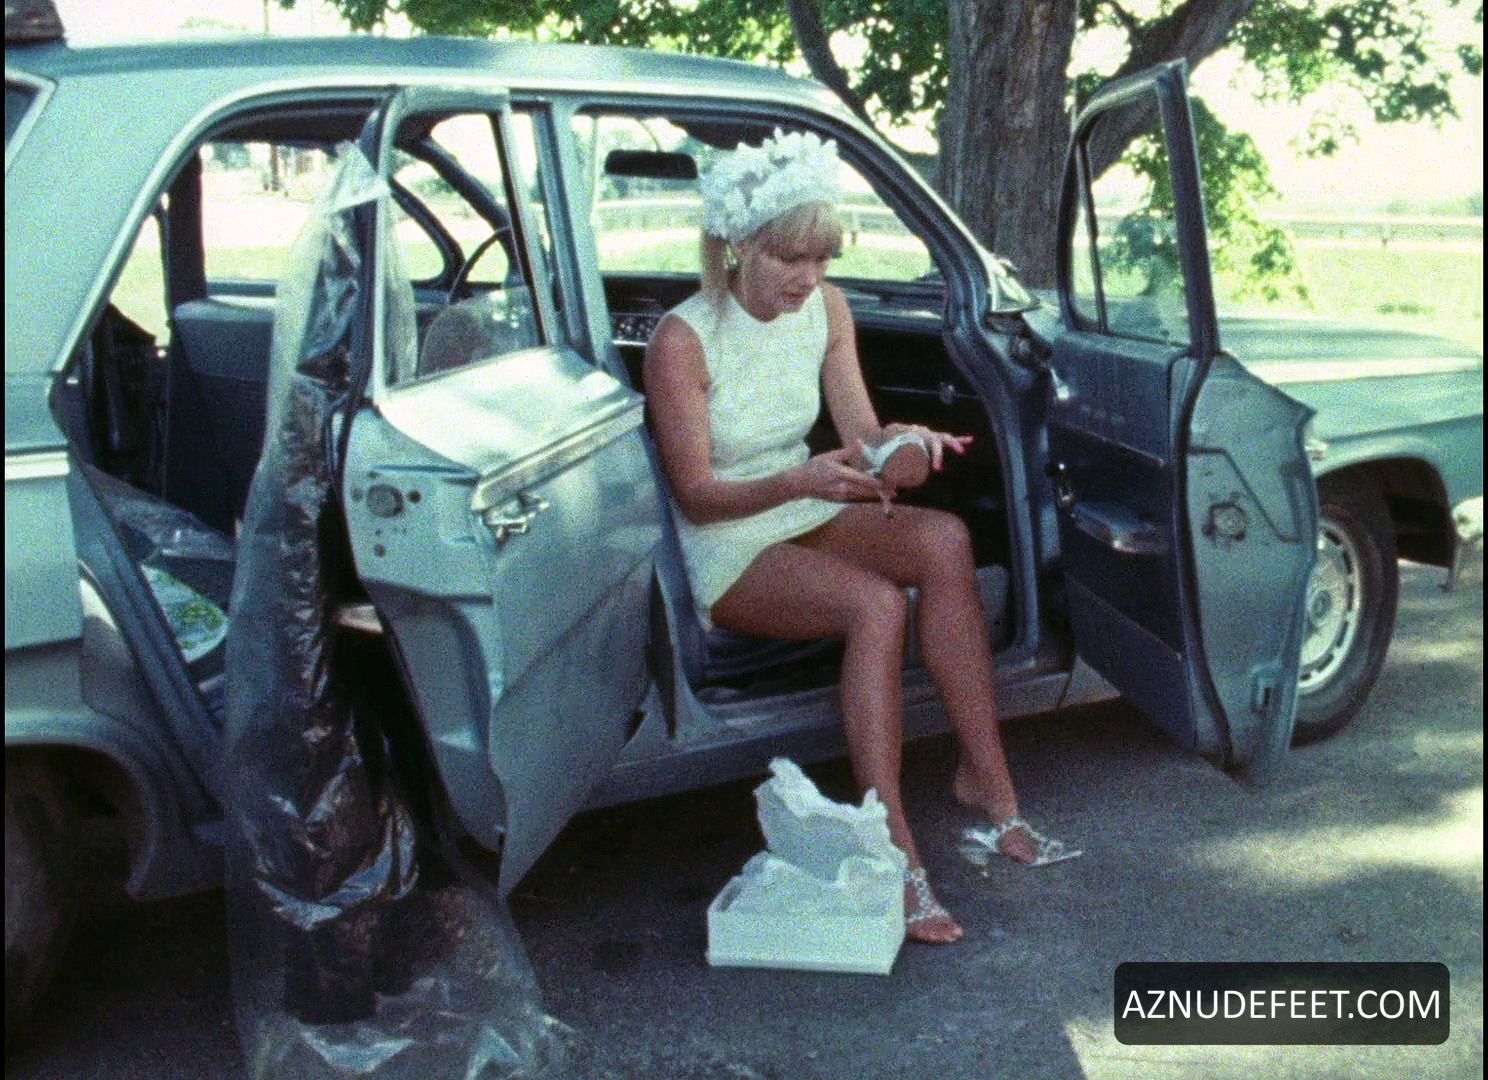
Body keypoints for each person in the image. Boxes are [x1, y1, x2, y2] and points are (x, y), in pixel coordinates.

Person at [644, 129, 1077, 946]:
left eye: (821, 259)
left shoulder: (828, 309)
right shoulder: (684, 339)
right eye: (789, 258)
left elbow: (866, 442)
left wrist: (909, 446)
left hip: (802, 501)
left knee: (945, 538)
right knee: (877, 606)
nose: (808, 279)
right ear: (738, 245)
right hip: (728, 538)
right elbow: (697, 497)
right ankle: (895, 849)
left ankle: (989, 782)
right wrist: (800, 480)